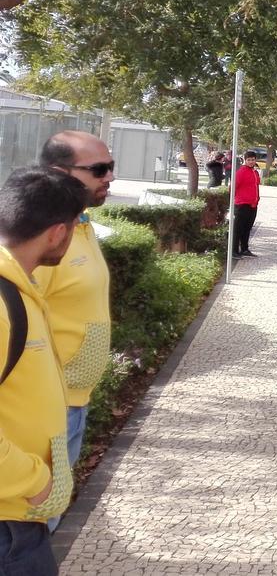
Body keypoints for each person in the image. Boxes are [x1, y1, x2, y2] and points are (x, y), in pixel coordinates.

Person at [0, 167, 90, 574]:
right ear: (57, 233)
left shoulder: (19, 286)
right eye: (75, 226)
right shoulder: (3, 303)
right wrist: (34, 483)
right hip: (8, 527)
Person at [35, 131, 115, 530]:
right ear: (57, 172)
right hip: (45, 409)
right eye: (98, 169)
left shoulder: (79, 225)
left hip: (72, 402)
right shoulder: (43, 237)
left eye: (111, 167)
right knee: (32, 527)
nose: (110, 177)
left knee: (48, 520)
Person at [232, 150, 262, 258]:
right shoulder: (241, 172)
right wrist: (232, 202)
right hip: (241, 205)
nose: (251, 162)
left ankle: (244, 249)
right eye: (249, 160)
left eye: (253, 160)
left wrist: (257, 199)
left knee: (247, 228)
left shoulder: (255, 172)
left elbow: (256, 186)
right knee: (238, 229)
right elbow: (233, 187)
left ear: (255, 160)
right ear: (245, 160)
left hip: (252, 205)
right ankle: (234, 251)